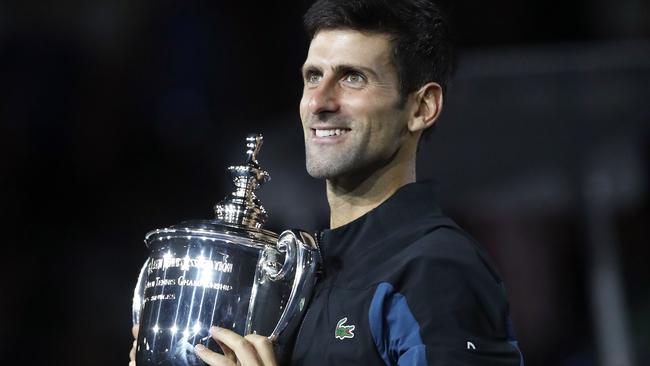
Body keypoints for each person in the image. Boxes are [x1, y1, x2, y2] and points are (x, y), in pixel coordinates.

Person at [130, 0, 524, 365]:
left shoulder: (434, 269)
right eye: (313, 76)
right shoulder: (304, 275)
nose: (319, 101)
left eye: (353, 78)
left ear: (421, 107)